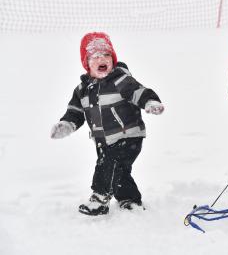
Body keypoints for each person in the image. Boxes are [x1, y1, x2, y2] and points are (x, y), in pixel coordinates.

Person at [51, 32, 164, 216]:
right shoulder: (82, 90)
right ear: (86, 63)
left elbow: (138, 92)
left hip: (128, 135)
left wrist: (150, 102)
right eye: (95, 56)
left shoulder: (120, 80)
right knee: (118, 170)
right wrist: (67, 124)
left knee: (108, 164)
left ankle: (100, 199)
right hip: (103, 140)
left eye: (106, 55)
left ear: (113, 59)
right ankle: (130, 200)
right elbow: (75, 112)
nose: (101, 59)